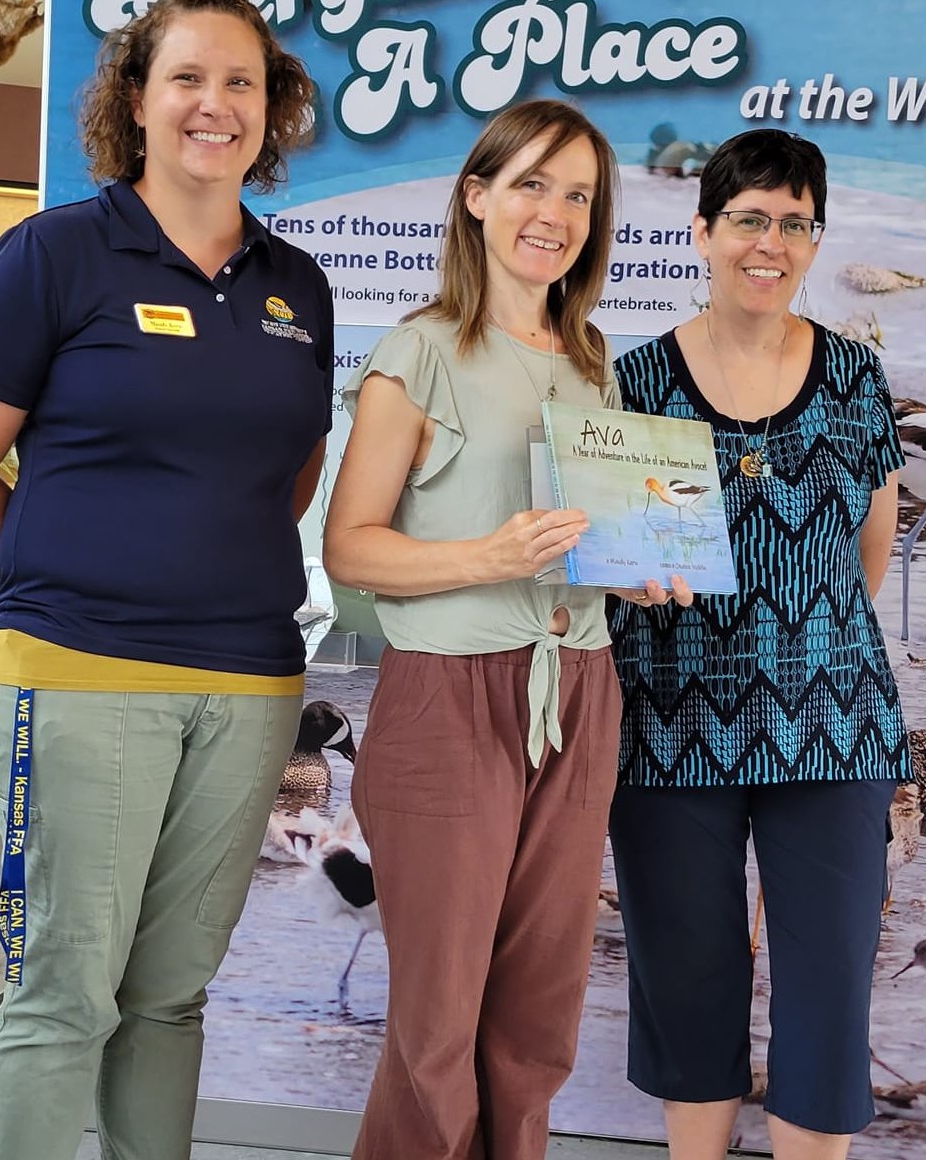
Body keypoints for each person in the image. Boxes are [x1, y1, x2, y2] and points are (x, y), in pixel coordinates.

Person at [0, 0, 332, 1160]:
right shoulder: (55, 253)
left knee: (170, 995)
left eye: (241, 82)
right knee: (64, 991)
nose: (216, 104)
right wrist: (73, 586)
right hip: (77, 672)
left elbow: (284, 477)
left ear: (272, 108)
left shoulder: (299, 287)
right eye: (187, 78)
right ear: (137, 102)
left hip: (247, 685)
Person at [324, 100, 688, 1160]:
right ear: (476, 196)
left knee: (535, 1019)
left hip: (581, 690)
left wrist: (642, 573)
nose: (555, 212)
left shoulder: (591, 358)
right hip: (450, 696)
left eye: (578, 194)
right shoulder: (421, 350)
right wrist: (486, 557)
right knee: (436, 1025)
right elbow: (350, 547)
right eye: (531, 183)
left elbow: (593, 539)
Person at [607, 128, 910, 1160]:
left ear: (814, 239)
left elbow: (869, 554)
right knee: (686, 985)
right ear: (702, 231)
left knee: (827, 997)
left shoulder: (855, 377)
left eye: (793, 221)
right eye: (748, 217)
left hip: (834, 728)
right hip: (667, 726)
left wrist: (800, 648)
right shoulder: (632, 382)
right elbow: (621, 560)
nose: (768, 240)